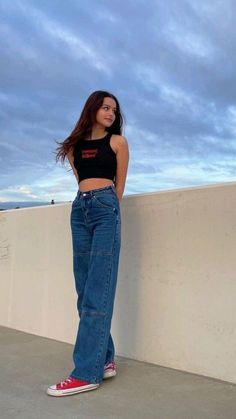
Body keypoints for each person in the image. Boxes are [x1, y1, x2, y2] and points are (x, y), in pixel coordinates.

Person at [47, 90, 129, 397]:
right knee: (85, 292)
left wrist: (107, 209)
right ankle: (105, 358)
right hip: (79, 210)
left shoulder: (118, 143)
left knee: (98, 290)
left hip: (106, 209)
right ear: (92, 109)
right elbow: (81, 179)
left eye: (114, 110)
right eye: (105, 107)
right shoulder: (74, 147)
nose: (110, 113)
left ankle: (86, 372)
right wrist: (89, 201)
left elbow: (118, 186)